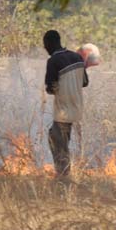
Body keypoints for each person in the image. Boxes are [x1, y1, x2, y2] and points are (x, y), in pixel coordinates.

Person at [43, 30, 89, 177]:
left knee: (57, 142)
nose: (46, 49)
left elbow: (50, 88)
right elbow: (85, 82)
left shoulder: (53, 61)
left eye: (45, 46)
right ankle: (65, 174)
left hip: (63, 112)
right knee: (60, 140)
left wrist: (56, 86)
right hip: (77, 109)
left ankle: (63, 177)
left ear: (48, 44)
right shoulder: (77, 57)